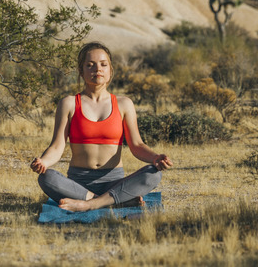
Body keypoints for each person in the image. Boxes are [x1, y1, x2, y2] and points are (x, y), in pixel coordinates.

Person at [30, 41, 173, 211]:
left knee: (153, 174)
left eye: (103, 65)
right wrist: (43, 162)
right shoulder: (68, 104)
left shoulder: (124, 104)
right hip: (78, 184)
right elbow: (57, 146)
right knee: (46, 178)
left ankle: (89, 204)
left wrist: (155, 158)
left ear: (110, 70)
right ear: (81, 71)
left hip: (115, 183)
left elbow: (137, 145)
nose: (97, 69)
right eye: (90, 65)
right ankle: (112, 202)